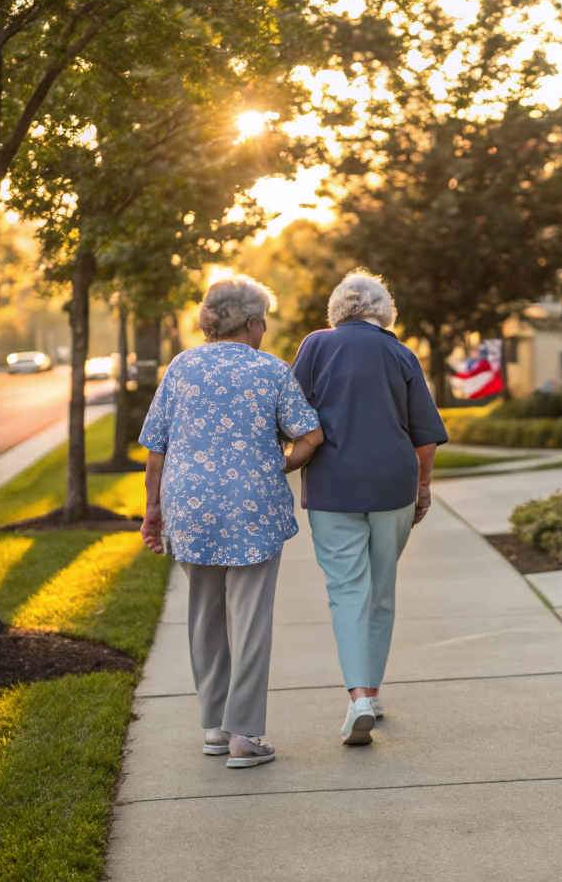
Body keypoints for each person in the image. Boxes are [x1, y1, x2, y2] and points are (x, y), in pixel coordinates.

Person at [139, 276, 323, 769]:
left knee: (204, 615)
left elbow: (156, 447)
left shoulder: (181, 367)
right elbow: (311, 435)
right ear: (252, 322)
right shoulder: (271, 370)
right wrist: (279, 463)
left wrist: (153, 512)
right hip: (252, 505)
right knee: (250, 618)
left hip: (189, 505)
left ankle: (215, 728)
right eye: (263, 322)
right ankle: (244, 735)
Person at [291, 271, 447, 745]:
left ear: (337, 311)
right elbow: (424, 437)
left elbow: (292, 415)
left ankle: (359, 696)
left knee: (347, 591)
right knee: (382, 588)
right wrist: (422, 488)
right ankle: (372, 693)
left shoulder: (315, 346)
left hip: (333, 487)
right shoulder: (400, 353)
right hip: (392, 486)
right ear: (385, 311)